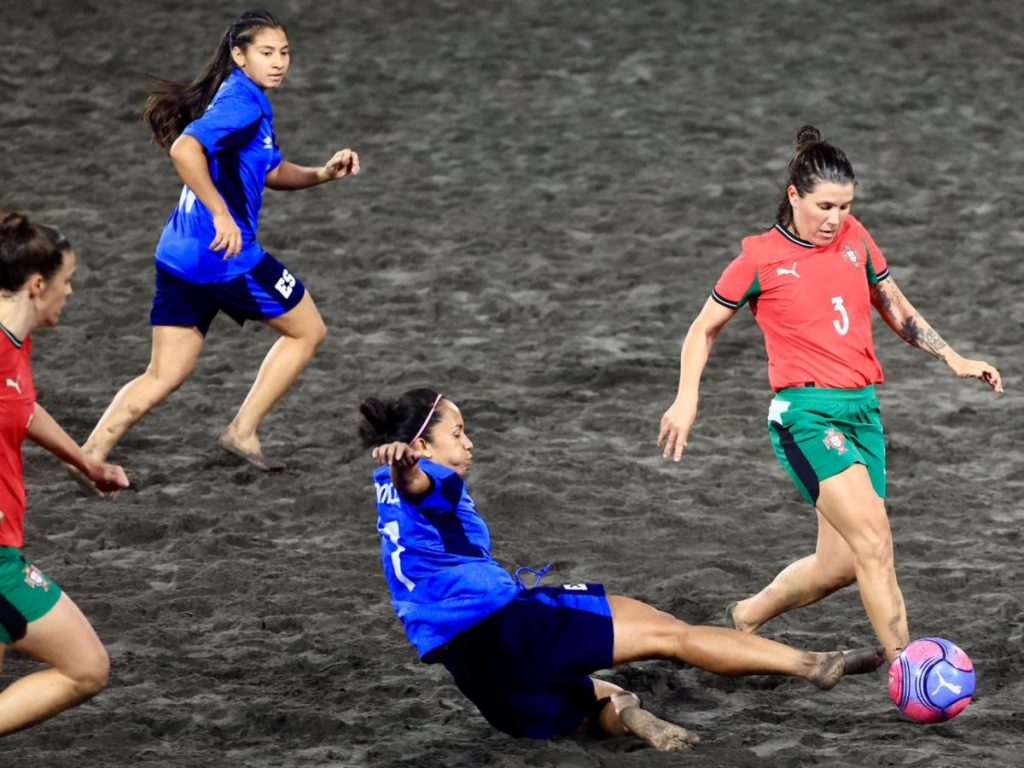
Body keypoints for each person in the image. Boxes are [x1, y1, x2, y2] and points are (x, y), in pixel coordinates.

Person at [360, 388, 883, 750]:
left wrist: (399, 466)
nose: (469, 442)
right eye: (458, 432)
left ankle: (631, 717)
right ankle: (812, 664)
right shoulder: (423, 474)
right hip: (510, 623)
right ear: (423, 445)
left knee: (596, 704)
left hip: (471, 671)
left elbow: (405, 490)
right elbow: (420, 486)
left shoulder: (385, 488)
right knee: (674, 635)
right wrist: (408, 465)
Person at [657, 126, 1003, 663]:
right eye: (823, 206)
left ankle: (747, 614)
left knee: (841, 563)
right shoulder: (760, 257)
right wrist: (686, 398)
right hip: (808, 416)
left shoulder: (854, 238)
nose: (834, 219)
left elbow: (891, 301)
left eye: (844, 206)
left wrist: (952, 356)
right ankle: (907, 669)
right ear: (794, 196)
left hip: (863, 410)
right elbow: (702, 329)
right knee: (875, 542)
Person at [77, 9, 360, 477]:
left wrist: (322, 174)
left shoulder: (237, 96)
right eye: (266, 53)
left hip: (177, 253)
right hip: (224, 259)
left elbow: (268, 170)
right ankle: (242, 431)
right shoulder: (243, 105)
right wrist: (222, 214)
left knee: (164, 373)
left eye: (284, 52)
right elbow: (183, 149)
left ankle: (90, 455)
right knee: (308, 330)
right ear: (238, 55)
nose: (279, 62)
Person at [0, 212, 130, 735]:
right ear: (37, 285)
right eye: (66, 280)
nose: (69, 292)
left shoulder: (14, 341)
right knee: (86, 668)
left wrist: (84, 459)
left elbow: (21, 407)